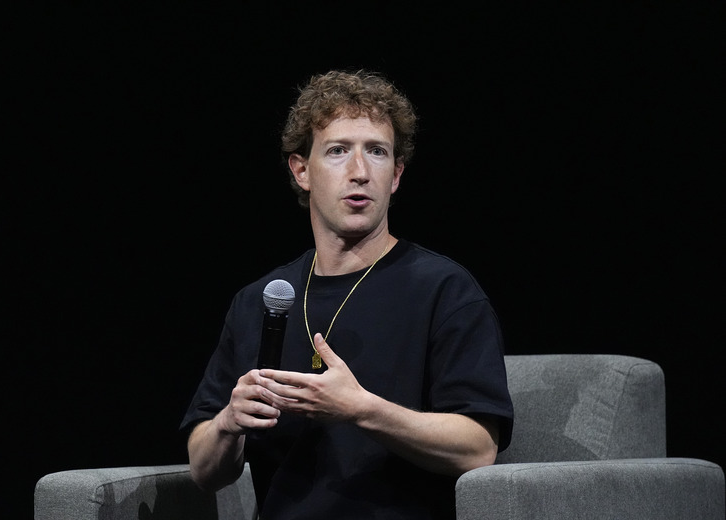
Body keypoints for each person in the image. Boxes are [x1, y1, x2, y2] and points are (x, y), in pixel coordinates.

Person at [180, 69, 514, 520]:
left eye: (377, 152)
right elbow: (203, 470)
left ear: (395, 175)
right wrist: (228, 423)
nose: (360, 172)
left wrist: (361, 409)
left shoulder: (444, 290)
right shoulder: (259, 301)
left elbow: (478, 448)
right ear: (301, 170)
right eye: (338, 151)